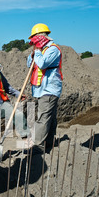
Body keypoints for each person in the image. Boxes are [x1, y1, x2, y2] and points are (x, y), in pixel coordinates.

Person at [26, 23, 63, 154]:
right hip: (41, 88)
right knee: (50, 117)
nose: (33, 41)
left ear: (42, 36)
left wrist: (37, 52)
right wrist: (32, 55)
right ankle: (49, 143)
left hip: (49, 88)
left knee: (43, 118)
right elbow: (29, 64)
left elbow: (42, 63)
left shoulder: (53, 49)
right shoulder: (40, 50)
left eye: (35, 37)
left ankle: (38, 147)